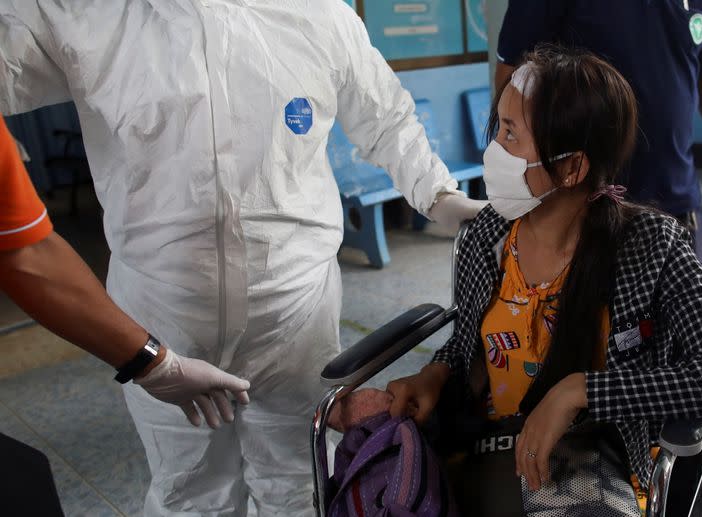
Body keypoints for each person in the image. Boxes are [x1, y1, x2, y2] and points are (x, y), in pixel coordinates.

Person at [0, 2, 486, 515]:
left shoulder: (318, 15)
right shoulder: (90, 14)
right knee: (189, 490)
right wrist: (148, 361)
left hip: (295, 308)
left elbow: (385, 117)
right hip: (164, 312)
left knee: (297, 480)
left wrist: (437, 193)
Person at [387, 47, 702, 516]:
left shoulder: (648, 246)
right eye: (497, 128)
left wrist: (579, 391)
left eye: (509, 134)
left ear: (571, 168)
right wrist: (435, 373)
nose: (492, 152)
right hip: (486, 444)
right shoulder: (489, 236)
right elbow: (471, 349)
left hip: (594, 456)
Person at [0, 117, 250, 515]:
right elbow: (26, 259)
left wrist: (153, 364)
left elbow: (22, 253)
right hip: (157, 300)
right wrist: (157, 364)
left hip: (288, 307)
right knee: (189, 480)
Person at [495, 0, 702, 259]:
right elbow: (514, 70)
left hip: (675, 196)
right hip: (582, 203)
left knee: (684, 296)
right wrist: (516, 163)